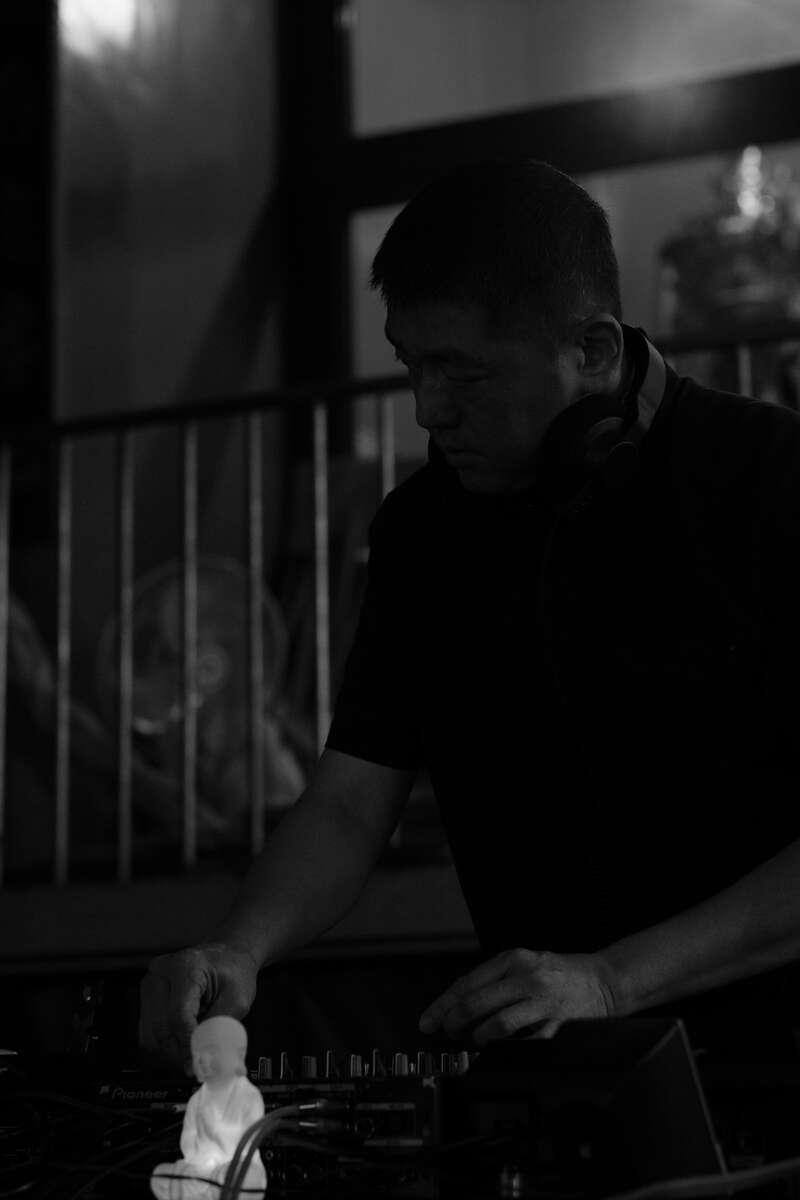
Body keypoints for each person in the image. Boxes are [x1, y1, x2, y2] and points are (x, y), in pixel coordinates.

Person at [140, 158, 800, 1072]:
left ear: (594, 351)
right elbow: (348, 805)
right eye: (412, 365)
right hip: (558, 1081)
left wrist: (612, 982)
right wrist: (239, 947)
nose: (426, 410)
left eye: (465, 373)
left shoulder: (770, 477)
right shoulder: (422, 533)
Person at [150, 1015, 266, 1199]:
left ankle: (213, 1188)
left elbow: (249, 1140)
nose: (201, 1060)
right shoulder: (196, 1100)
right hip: (202, 1170)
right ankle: (206, 1189)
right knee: (160, 1176)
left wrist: (216, 1133)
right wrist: (199, 1156)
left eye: (211, 1052)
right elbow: (188, 1138)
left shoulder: (249, 1096)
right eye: (197, 1054)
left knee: (242, 1179)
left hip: (234, 1166)